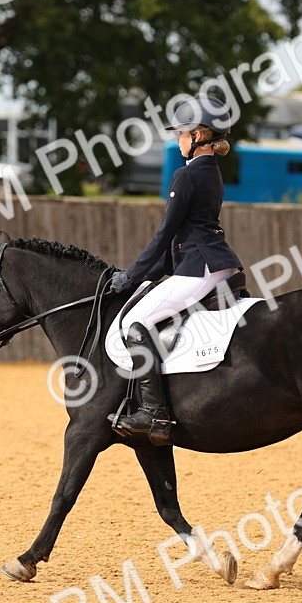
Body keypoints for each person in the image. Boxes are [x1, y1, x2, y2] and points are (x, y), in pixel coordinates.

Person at [106, 95, 244, 444]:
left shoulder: (185, 175)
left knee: (135, 324)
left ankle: (154, 413)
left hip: (198, 268)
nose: (177, 138)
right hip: (218, 265)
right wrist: (155, 273)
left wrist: (132, 275)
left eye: (181, 133)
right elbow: (186, 233)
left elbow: (165, 233)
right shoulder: (212, 173)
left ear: (198, 135)